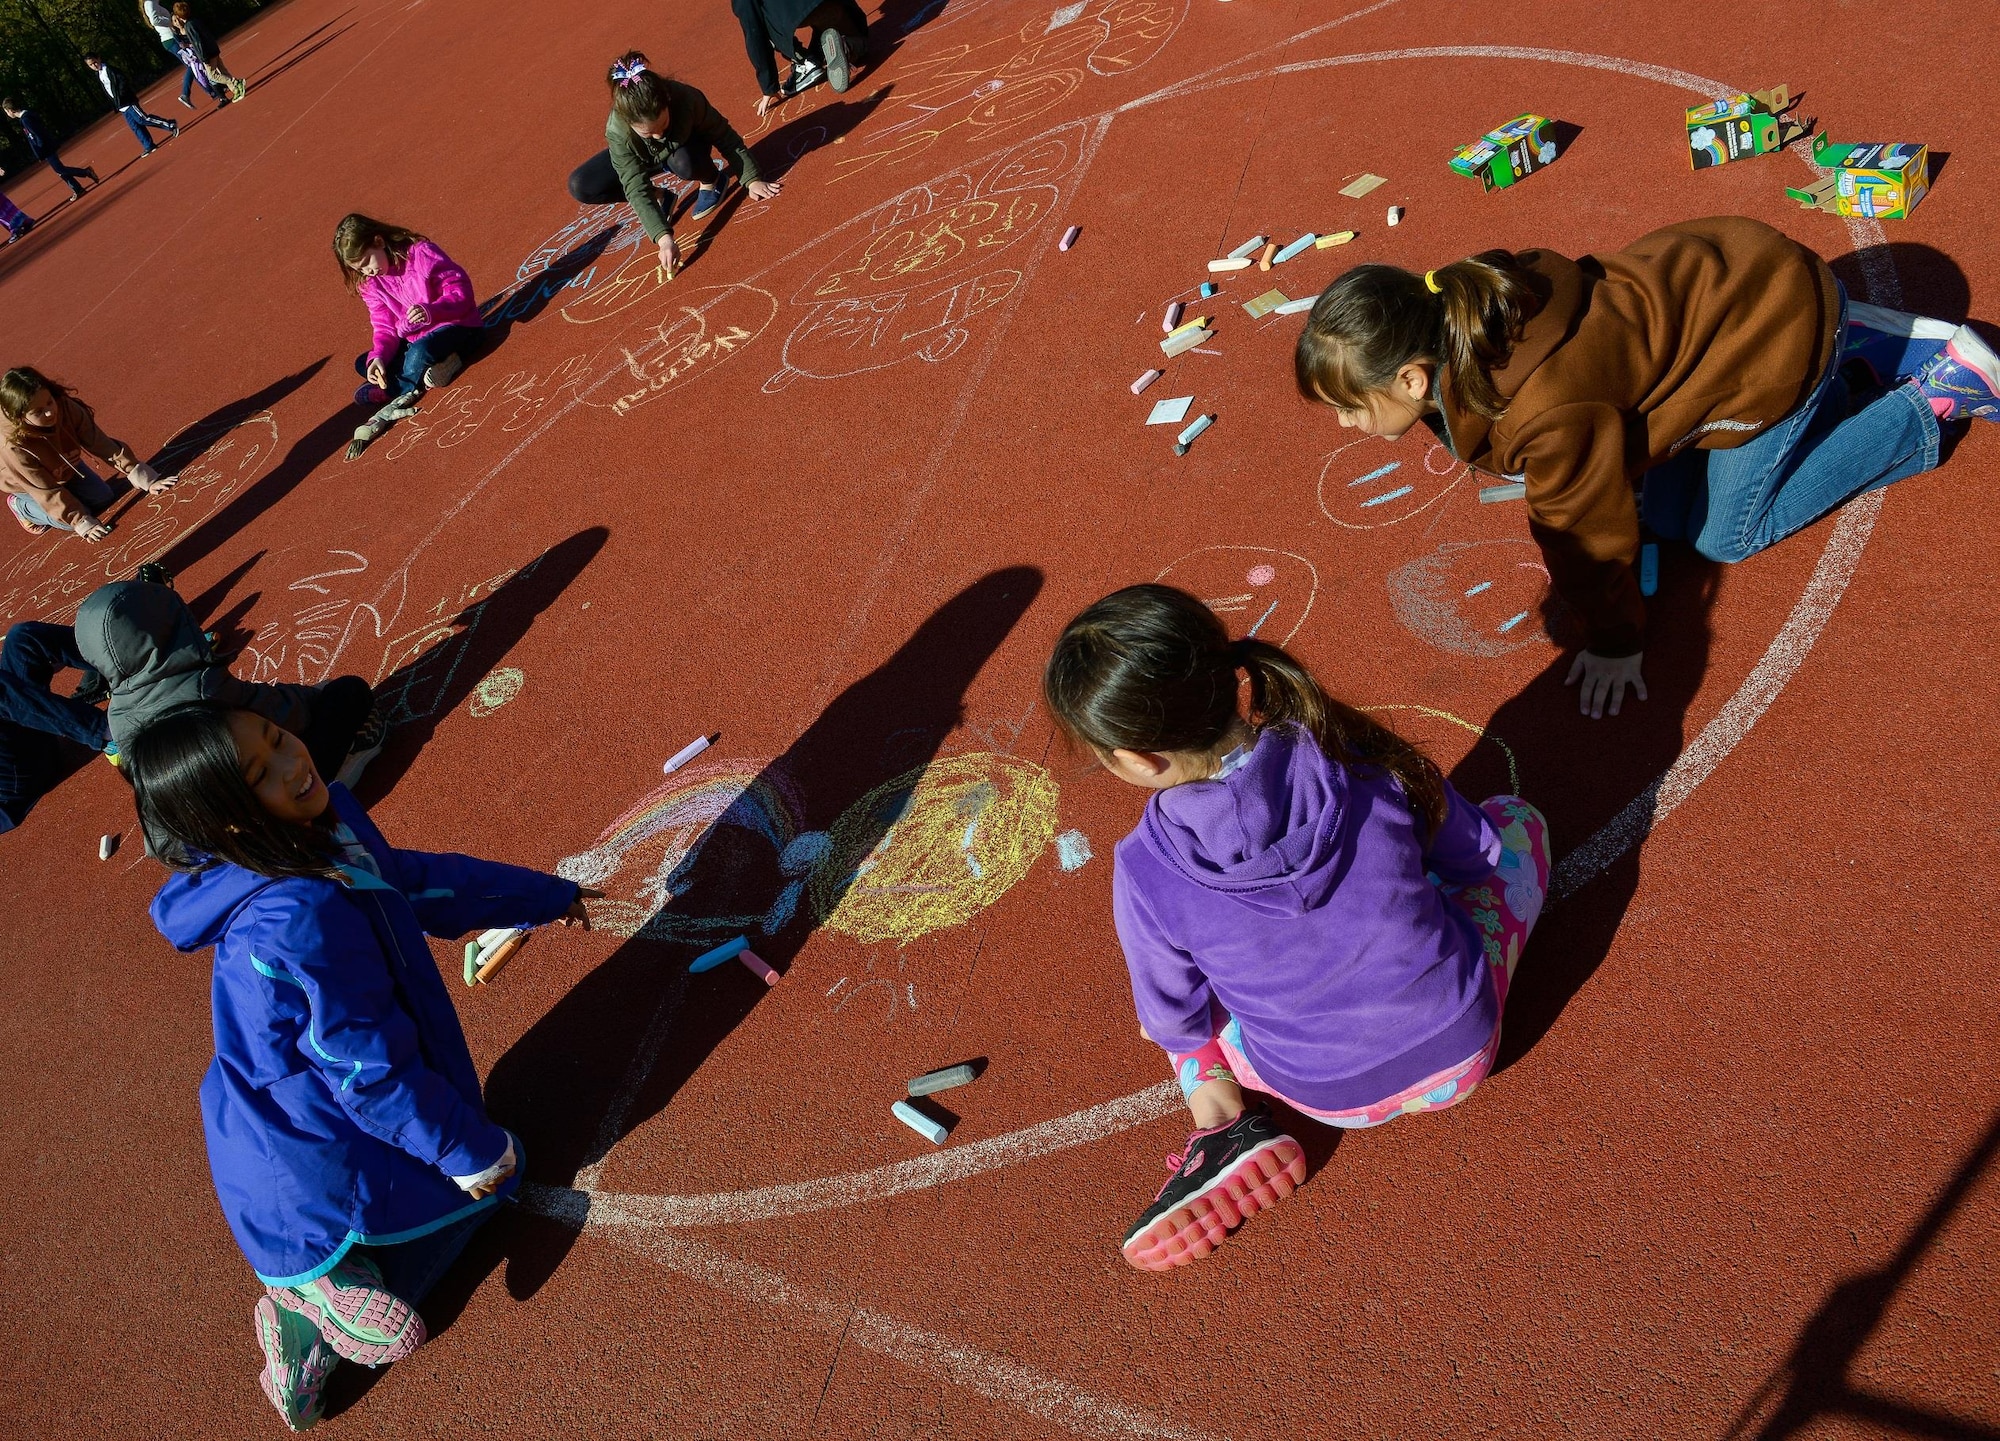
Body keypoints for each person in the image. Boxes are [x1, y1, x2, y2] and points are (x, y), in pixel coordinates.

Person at [1294, 215, 2000, 720]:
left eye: (1349, 406)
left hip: (1775, 328)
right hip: (1731, 275)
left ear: (1415, 380)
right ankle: (1846, 370)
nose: (1343, 423)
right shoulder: (1467, 306)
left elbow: (1584, 537)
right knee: (1661, 512)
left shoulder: (1541, 411)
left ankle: (1938, 392)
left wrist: (1616, 641)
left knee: (1727, 536)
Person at [1044, 584, 1552, 1270]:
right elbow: (1476, 854)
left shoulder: (1143, 868)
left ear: (1135, 758)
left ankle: (1218, 1115)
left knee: (1182, 1017)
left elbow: (1173, 1020)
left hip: (1325, 1095)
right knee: (1518, 822)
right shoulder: (1353, 753)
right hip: (1460, 1049)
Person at [130, 705, 597, 1431]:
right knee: (500, 1176)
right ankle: (306, 1306)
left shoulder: (319, 834)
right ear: (228, 824)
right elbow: (366, 1069)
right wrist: (464, 1151)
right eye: (261, 773)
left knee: (480, 1183)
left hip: (303, 1112)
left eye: (278, 739)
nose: (293, 763)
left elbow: (411, 882)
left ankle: (328, 1276)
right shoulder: (295, 915)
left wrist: (540, 896)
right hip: (304, 1153)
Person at [74, 577, 388, 790]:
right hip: (269, 811)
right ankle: (338, 775)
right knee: (348, 693)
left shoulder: (117, 718)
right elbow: (283, 713)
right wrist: (315, 695)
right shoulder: (202, 686)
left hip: (213, 838)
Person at [566, 52, 779, 280]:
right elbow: (634, 187)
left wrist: (751, 178)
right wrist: (664, 239)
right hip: (646, 158)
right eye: (648, 133)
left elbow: (724, 135)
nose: (658, 134)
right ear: (629, 123)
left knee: (684, 164)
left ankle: (712, 179)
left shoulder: (686, 98)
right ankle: (661, 196)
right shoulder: (618, 132)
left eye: (663, 124)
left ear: (667, 100)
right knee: (581, 184)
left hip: (685, 148)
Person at [0, 368, 176, 544]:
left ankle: (70, 492)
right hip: (25, 483)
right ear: (20, 418)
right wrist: (80, 521)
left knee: (103, 498)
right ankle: (22, 507)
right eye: (38, 412)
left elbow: (99, 442)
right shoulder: (13, 446)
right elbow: (44, 490)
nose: (49, 412)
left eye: (49, 402)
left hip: (64, 462)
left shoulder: (64, 406)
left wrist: (142, 475)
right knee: (70, 521)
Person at [331, 214, 484, 406]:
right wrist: (378, 356)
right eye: (360, 270)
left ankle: (394, 390)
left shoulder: (421, 254)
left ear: (379, 241)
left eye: (367, 262)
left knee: (418, 353)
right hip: (416, 337)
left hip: (457, 325)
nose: (367, 272)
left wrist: (432, 311)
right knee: (365, 362)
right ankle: (442, 366)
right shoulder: (370, 285)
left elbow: (461, 292)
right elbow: (384, 328)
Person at [0, 620, 113, 832]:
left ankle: (125, 659)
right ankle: (108, 732)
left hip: (27, 748)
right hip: (13, 789)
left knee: (23, 639)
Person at [731, 0, 870, 114]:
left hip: (796, 13)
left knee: (756, 18)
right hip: (831, 5)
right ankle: (845, 46)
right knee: (860, 40)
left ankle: (805, 61)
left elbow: (753, 29)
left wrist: (768, 85)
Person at [0, 99, 97, 200]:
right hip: (47, 147)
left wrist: (41, 149)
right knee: (59, 170)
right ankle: (77, 189)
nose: (7, 114)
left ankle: (86, 172)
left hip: (46, 148)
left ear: (11, 110)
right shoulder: (26, 117)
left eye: (6, 111)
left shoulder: (26, 119)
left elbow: (37, 135)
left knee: (60, 170)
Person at [85, 53, 180, 156]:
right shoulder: (98, 74)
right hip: (121, 105)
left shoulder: (110, 69)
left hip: (127, 100)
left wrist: (122, 95)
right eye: (91, 65)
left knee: (142, 119)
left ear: (99, 58)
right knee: (135, 126)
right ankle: (148, 145)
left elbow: (123, 80)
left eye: (95, 62)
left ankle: (170, 125)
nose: (94, 65)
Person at [142, 0, 227, 109]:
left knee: (194, 64)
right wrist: (171, 22)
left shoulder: (153, 3)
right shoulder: (150, 2)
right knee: (193, 64)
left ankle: (213, 90)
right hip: (170, 39)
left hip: (171, 38)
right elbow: (154, 21)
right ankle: (189, 93)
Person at [172, 2, 248, 102]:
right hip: (213, 48)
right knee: (223, 70)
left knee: (212, 75)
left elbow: (197, 42)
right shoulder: (195, 21)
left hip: (207, 53)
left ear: (178, 16)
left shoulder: (188, 26)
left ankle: (236, 82)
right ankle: (236, 90)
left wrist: (203, 58)